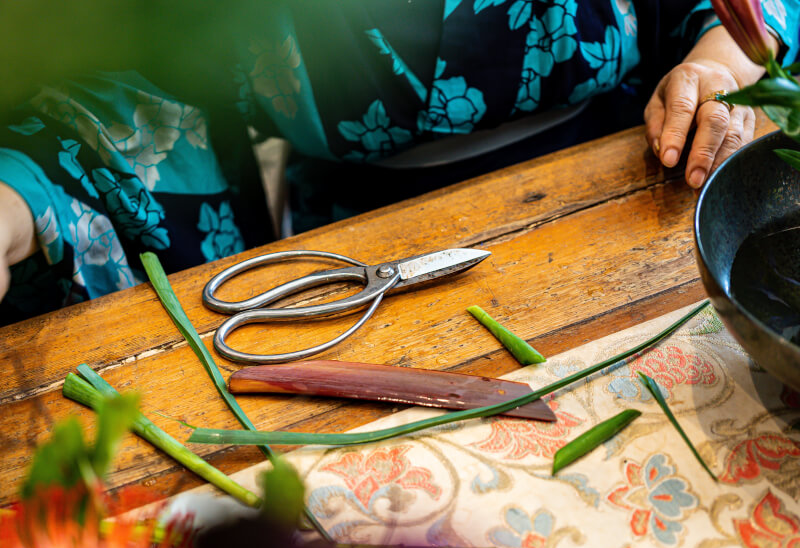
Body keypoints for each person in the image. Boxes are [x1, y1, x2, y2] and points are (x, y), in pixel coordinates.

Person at [0, 0, 796, 325]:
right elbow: (151, 92)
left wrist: (717, 65)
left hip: (644, 194)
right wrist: (21, 197)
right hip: (361, 254)